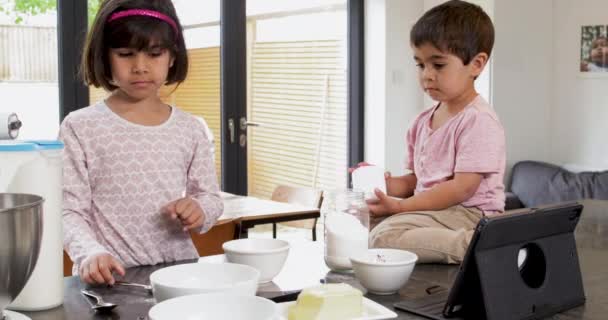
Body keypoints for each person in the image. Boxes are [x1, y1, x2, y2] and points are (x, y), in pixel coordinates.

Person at [60, 0, 223, 285]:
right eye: (125, 54)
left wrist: (199, 209)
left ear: (172, 57)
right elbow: (68, 210)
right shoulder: (79, 127)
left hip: (179, 277)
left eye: (155, 53)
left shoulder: (190, 128)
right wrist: (89, 253)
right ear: (105, 57)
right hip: (109, 281)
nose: (140, 67)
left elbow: (210, 198)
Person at [365, 0, 506, 264]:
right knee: (366, 224)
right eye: (420, 65)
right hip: (437, 210)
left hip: (468, 213)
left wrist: (401, 208)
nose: (427, 75)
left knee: (384, 238)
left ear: (476, 64)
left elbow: (462, 189)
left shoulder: (479, 121)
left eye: (438, 65)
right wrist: (385, 185)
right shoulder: (421, 122)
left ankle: (483, 245)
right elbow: (417, 181)